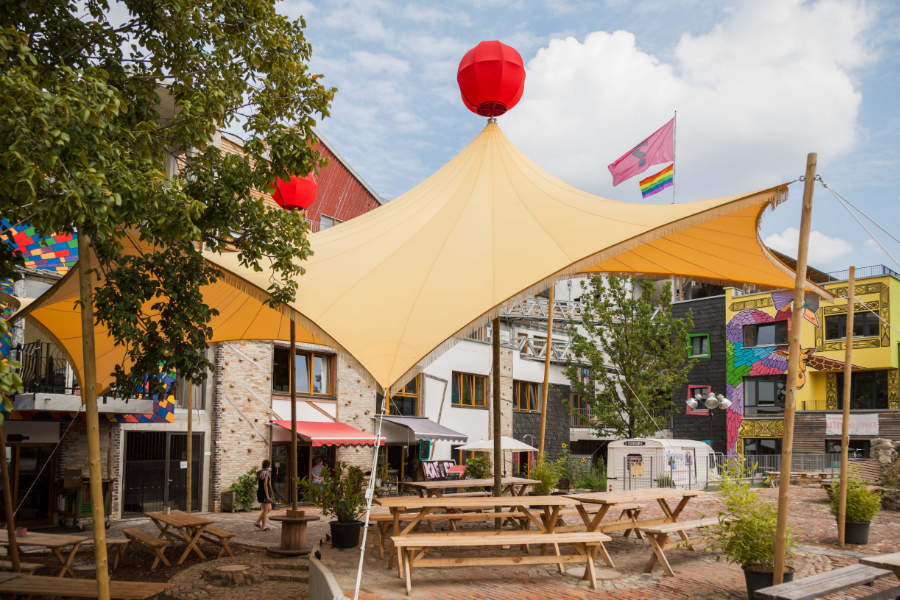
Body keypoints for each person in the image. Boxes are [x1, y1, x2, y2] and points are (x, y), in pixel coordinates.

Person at [254, 459, 273, 531]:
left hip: (261, 492)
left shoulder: (259, 472)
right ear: (269, 465)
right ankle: (263, 526)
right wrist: (267, 496)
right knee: (265, 510)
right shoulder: (266, 472)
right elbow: (265, 485)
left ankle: (257, 522)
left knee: (269, 509)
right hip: (264, 493)